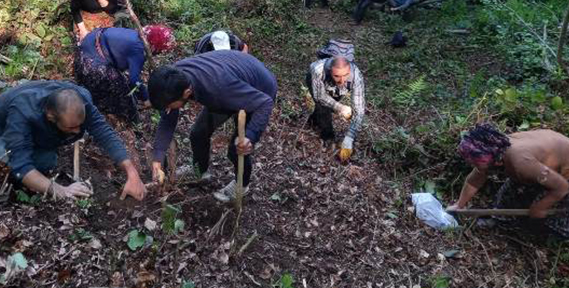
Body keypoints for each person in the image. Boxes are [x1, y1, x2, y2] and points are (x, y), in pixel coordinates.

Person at [0, 80, 146, 200]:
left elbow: (103, 131)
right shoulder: (22, 114)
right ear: (51, 116)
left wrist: (131, 172)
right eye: (72, 127)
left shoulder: (79, 99)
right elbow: (22, 166)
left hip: (31, 119)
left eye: (80, 125)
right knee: (46, 161)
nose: (78, 131)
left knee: (50, 153)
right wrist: (62, 190)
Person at [148, 51, 277, 202]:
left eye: (169, 106)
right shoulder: (173, 78)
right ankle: (199, 170)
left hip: (259, 92)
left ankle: (242, 186)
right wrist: (157, 160)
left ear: (187, 92)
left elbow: (265, 102)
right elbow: (168, 120)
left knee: (237, 148)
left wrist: (251, 135)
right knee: (198, 133)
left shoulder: (218, 89)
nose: (168, 110)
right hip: (231, 82)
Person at [449, 124, 569, 237]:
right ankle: (500, 220)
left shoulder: (521, 163)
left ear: (495, 160)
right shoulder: (497, 148)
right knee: (511, 191)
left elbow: (562, 187)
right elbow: (474, 180)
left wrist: (541, 207)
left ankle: (550, 237)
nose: (472, 164)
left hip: (564, 171)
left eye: (475, 162)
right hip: (541, 164)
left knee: (559, 217)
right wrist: (459, 205)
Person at [74, 27, 153, 123]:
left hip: (83, 51)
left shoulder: (134, 34)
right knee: (123, 91)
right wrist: (146, 98)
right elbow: (134, 79)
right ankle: (130, 119)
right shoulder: (139, 49)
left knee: (123, 80)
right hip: (91, 64)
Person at [305, 41, 365, 162]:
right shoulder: (318, 69)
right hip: (315, 82)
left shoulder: (356, 76)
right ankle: (327, 136)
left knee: (329, 105)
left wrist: (350, 137)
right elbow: (320, 97)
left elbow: (359, 110)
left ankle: (313, 120)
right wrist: (340, 108)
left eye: (346, 75)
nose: (342, 80)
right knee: (323, 106)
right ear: (330, 70)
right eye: (337, 76)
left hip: (335, 90)